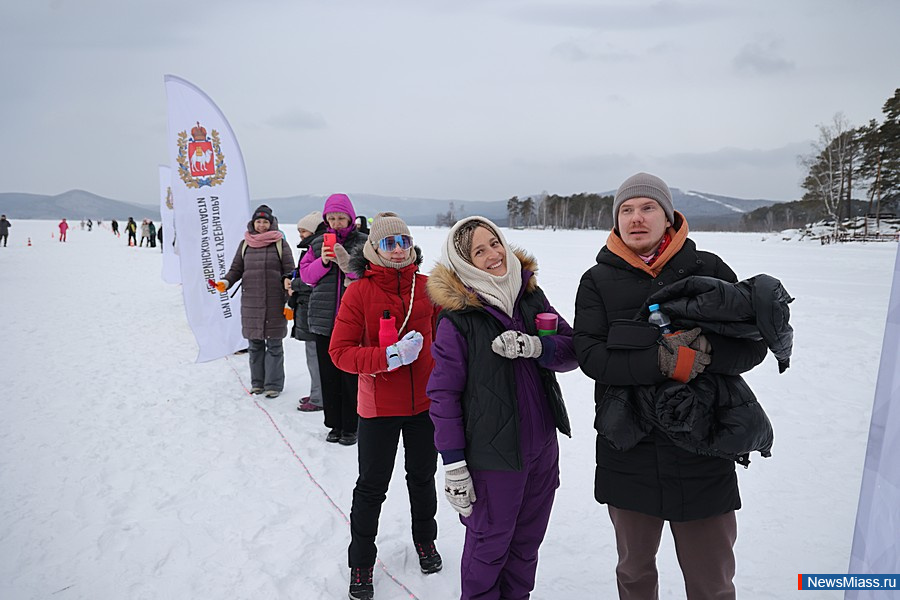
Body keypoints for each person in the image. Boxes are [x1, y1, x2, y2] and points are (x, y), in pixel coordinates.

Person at [573, 172, 769, 600]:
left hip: (704, 445)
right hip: (629, 447)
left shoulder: (710, 269)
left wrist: (707, 350)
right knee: (634, 573)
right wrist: (662, 361)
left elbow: (752, 346)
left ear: (668, 217)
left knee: (712, 580)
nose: (636, 218)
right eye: (626, 210)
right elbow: (591, 356)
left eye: (648, 208)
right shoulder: (596, 281)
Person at [426, 216, 577, 600]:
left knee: (526, 546)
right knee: (488, 550)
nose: (494, 254)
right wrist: (454, 463)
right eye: (479, 251)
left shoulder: (531, 298)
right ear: (465, 264)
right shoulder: (458, 320)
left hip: (542, 451)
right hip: (492, 460)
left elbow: (572, 350)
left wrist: (537, 346)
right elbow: (443, 396)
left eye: (495, 243)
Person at [329, 212, 443, 600]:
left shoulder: (428, 288)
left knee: (423, 478)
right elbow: (340, 353)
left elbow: (453, 336)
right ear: (374, 249)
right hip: (378, 408)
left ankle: (425, 541)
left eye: (404, 242)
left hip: (425, 404)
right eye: (389, 243)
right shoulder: (358, 292)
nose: (398, 250)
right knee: (372, 486)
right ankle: (361, 562)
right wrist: (388, 357)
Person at [298, 193, 367, 445]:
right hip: (323, 319)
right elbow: (306, 275)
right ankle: (334, 424)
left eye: (341, 218)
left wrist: (349, 267)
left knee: (350, 376)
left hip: (353, 320)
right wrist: (324, 261)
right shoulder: (317, 243)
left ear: (350, 218)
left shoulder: (363, 242)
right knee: (328, 376)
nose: (336, 223)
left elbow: (369, 274)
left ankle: (351, 426)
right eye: (332, 218)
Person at [216, 205, 295, 398]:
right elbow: (236, 269)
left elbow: (290, 272)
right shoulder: (245, 244)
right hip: (251, 303)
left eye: (265, 222)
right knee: (255, 345)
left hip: (275, 302)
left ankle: (273, 385)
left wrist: (289, 297)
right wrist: (226, 282)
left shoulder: (280, 244)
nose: (261, 225)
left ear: (271, 223)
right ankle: (257, 383)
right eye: (258, 221)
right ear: (253, 223)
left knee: (274, 345)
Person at [289, 211, 326, 412]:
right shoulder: (311, 248)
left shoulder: (318, 248)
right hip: (308, 309)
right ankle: (316, 393)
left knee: (315, 357)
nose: (301, 235)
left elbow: (313, 279)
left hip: (315, 311)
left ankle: (319, 398)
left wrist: (294, 284)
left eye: (303, 231)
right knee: (313, 356)